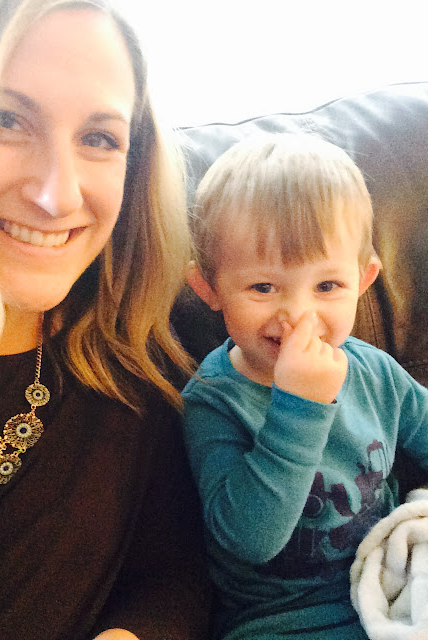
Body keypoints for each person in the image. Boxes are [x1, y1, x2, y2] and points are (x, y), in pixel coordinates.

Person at [0, 1, 210, 639]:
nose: (56, 195)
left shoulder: (139, 364)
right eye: (7, 120)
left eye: (99, 139)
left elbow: (173, 581)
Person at [182, 133, 428, 639]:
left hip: (389, 574)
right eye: (263, 287)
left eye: (327, 286)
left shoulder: (375, 371)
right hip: (284, 619)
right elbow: (249, 540)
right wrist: (300, 406)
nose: (298, 316)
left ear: (363, 280)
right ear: (209, 288)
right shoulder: (213, 402)